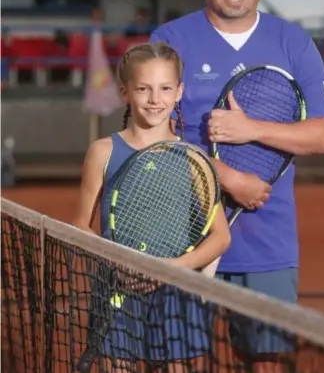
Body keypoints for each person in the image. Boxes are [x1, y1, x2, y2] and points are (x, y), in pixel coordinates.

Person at [149, 0, 324, 372]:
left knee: (269, 363)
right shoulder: (168, 38)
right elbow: (152, 138)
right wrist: (228, 178)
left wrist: (251, 128)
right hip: (182, 237)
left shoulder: (294, 43)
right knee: (179, 363)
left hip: (267, 243)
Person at [72, 42, 231, 372]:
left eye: (165, 88)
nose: (155, 99)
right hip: (116, 288)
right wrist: (117, 263)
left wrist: (176, 268)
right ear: (125, 92)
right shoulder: (102, 151)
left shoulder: (194, 159)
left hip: (175, 292)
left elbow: (220, 237)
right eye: (143, 89)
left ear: (179, 92)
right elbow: (80, 225)